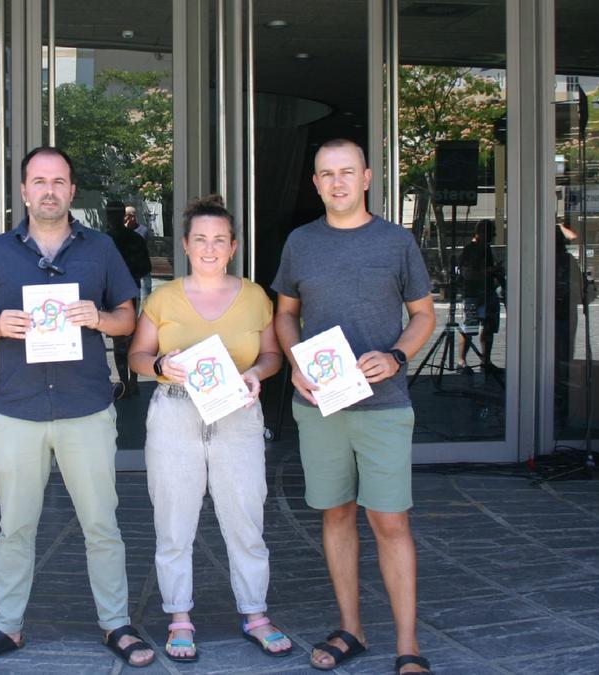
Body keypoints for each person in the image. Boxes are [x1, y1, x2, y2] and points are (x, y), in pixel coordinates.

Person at [0, 147, 155, 668]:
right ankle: (7, 626)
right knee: (15, 527)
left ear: (71, 190)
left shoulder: (102, 248)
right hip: (18, 409)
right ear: (24, 191)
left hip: (85, 407)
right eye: (39, 181)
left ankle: (116, 623)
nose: (49, 190)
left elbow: (129, 319)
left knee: (101, 526)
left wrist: (100, 317)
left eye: (59, 181)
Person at [271, 139, 436, 675]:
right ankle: (352, 629)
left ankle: (408, 647)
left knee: (390, 521)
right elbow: (285, 312)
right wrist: (295, 361)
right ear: (315, 183)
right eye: (326, 174)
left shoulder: (397, 241)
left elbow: (424, 315)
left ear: (366, 178)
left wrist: (396, 356)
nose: (337, 182)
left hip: (384, 403)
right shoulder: (301, 242)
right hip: (321, 403)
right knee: (336, 514)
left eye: (347, 172)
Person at [128, 195, 291, 662]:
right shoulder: (163, 297)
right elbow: (137, 357)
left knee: (245, 515)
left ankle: (255, 613)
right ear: (185, 244)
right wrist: (161, 364)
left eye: (219, 239)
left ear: (233, 246)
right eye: (200, 239)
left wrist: (257, 374)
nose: (209, 248)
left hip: (237, 413)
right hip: (176, 413)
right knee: (174, 521)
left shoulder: (256, 296)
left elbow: (273, 355)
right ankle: (179, 616)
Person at [109, 207, 152, 398]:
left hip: (119, 291)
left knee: (124, 337)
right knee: (125, 337)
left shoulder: (107, 241)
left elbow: (145, 267)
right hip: (121, 291)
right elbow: (145, 267)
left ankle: (128, 382)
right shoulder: (108, 240)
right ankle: (129, 382)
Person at [458, 219, 505, 375]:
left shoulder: (487, 249)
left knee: (489, 328)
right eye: (490, 233)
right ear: (481, 233)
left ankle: (486, 360)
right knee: (469, 328)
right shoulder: (470, 249)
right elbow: (467, 274)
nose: (492, 236)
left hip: (488, 293)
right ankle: (462, 361)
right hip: (473, 294)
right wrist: (490, 270)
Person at [127, 205, 155, 298]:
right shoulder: (123, 231)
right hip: (129, 271)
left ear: (131, 216)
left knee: (145, 299)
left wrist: (125, 230)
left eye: (125, 215)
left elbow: (136, 246)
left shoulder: (142, 230)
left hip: (142, 270)